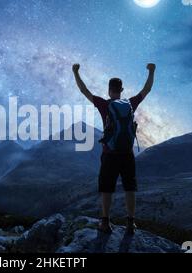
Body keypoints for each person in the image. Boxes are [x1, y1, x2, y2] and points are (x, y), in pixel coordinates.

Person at [72, 62, 156, 234]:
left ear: (109, 90)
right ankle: (131, 223)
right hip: (127, 154)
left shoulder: (104, 104)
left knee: (107, 188)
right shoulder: (130, 104)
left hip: (109, 154)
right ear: (122, 90)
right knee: (129, 188)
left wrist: (76, 72)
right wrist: (151, 71)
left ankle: (105, 222)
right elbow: (146, 90)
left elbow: (84, 90)